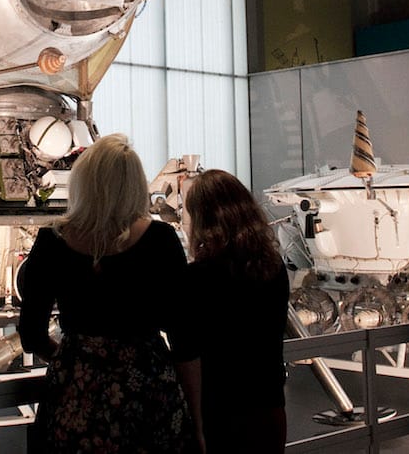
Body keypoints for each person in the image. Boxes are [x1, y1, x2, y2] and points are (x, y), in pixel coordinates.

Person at [18, 134, 202, 453]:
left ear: (83, 182)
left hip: (75, 392)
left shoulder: (51, 240)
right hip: (146, 388)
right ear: (134, 186)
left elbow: (31, 335)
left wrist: (79, 358)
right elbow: (185, 341)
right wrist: (199, 423)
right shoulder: (161, 240)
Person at [182, 169, 289, 453]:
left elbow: (188, 350)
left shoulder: (196, 278)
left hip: (219, 412)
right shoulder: (274, 267)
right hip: (269, 405)